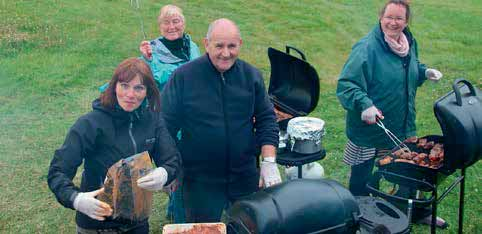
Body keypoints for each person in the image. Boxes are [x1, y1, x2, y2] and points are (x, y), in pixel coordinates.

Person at [336, 0, 446, 228]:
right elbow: (347, 85)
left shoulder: (407, 42)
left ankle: (416, 212)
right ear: (380, 17)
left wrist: (424, 71)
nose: (393, 23)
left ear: (406, 22)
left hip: (401, 123)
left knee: (408, 172)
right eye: (389, 17)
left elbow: (409, 69)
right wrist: (364, 104)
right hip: (369, 129)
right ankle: (356, 219)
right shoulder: (367, 48)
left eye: (399, 18)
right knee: (363, 177)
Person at [161, 18, 282, 222]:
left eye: (232, 46)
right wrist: (168, 166)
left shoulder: (251, 76)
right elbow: (165, 125)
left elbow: (266, 119)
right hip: (200, 180)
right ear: (206, 43)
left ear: (240, 45)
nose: (226, 53)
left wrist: (269, 161)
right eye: (219, 46)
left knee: (249, 226)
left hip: (245, 176)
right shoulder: (183, 77)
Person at [48, 58, 180, 233]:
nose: (130, 94)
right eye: (124, 85)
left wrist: (164, 174)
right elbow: (57, 172)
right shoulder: (90, 124)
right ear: (114, 87)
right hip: (97, 222)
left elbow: (172, 160)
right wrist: (76, 198)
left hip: (137, 221)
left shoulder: (153, 121)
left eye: (138, 88)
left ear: (148, 91)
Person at [138, 4, 200, 224]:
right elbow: (156, 78)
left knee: (192, 164)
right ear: (160, 25)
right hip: (169, 117)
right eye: (167, 22)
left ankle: (185, 208)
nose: (172, 26)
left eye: (176, 21)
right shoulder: (151, 49)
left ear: (183, 23)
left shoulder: (191, 45)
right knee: (175, 164)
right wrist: (147, 58)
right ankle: (180, 216)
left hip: (193, 114)